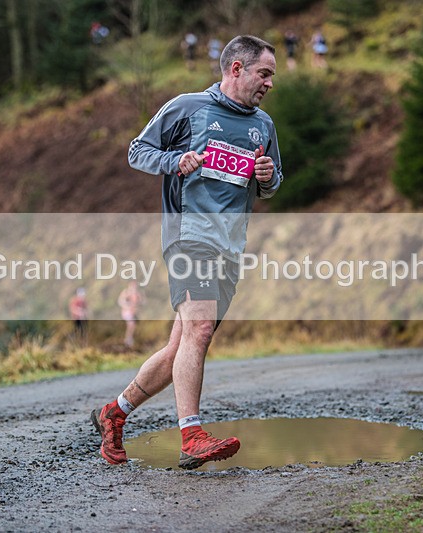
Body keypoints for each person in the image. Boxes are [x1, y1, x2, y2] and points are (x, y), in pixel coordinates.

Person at [91, 35, 282, 470]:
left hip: (230, 247)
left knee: (182, 345)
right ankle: (191, 435)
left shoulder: (264, 125)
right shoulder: (187, 108)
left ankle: (114, 413)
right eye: (264, 74)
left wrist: (268, 176)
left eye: (272, 76)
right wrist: (174, 161)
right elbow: (138, 151)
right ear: (236, 69)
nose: (270, 83)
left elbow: (271, 185)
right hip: (188, 236)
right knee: (199, 329)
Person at [117, 281, 143, 348]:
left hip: (133, 313)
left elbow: (141, 302)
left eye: (135, 286)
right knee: (131, 324)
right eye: (133, 286)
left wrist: (137, 304)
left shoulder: (137, 294)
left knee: (133, 325)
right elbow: (120, 301)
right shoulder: (126, 292)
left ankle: (129, 339)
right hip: (127, 312)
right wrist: (127, 306)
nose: (134, 287)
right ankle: (128, 340)